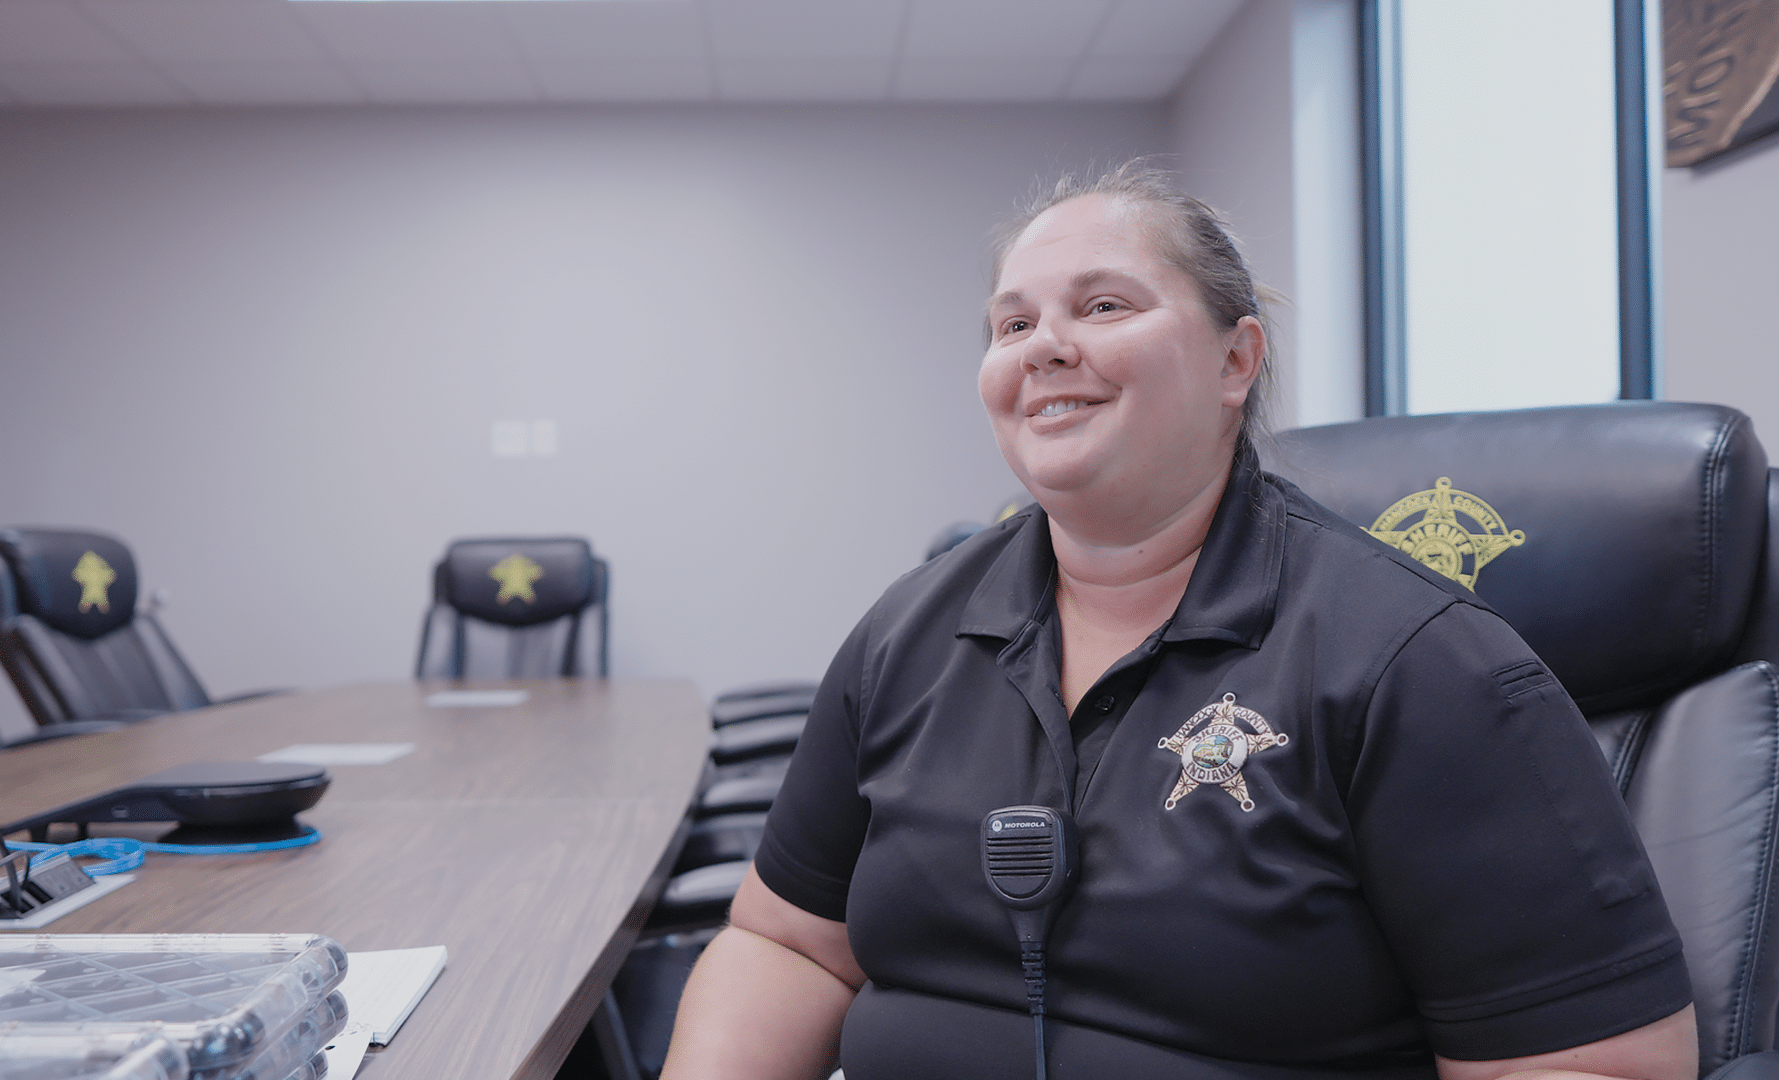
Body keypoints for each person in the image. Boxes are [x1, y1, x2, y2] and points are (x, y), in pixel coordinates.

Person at [661, 162, 1698, 1080]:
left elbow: (1595, 1065)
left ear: (1235, 362)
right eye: (1011, 323)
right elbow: (788, 944)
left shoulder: (1418, 666)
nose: (1045, 346)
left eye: (1104, 305)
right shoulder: (908, 634)